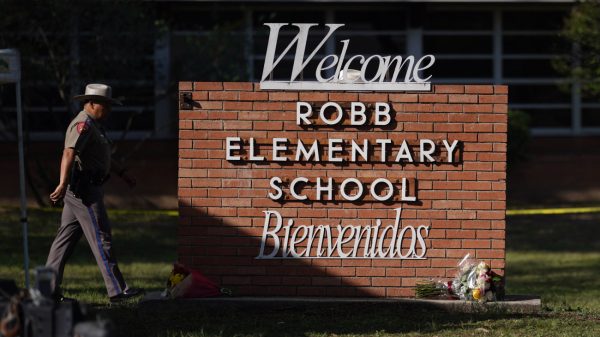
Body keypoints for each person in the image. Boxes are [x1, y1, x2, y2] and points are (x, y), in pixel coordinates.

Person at [46, 83, 142, 302]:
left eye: (110, 106)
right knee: (101, 236)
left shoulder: (96, 126)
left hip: (85, 188)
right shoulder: (82, 124)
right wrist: (61, 184)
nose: (108, 110)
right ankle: (117, 289)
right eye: (104, 105)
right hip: (84, 191)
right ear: (90, 103)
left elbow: (103, 157)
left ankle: (47, 291)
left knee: (64, 241)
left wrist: (123, 173)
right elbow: (68, 153)